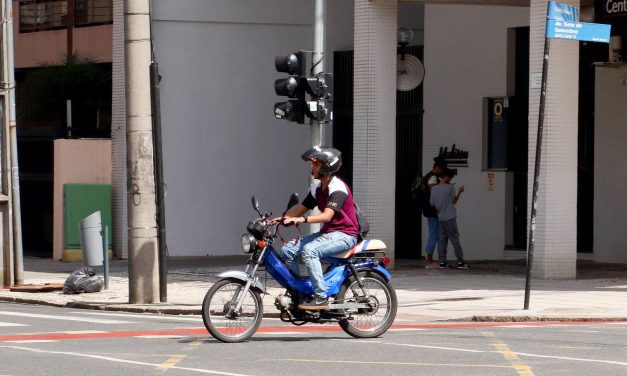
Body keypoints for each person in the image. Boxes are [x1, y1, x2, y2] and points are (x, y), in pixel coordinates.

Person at [277, 146, 359, 310]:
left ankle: (320, 298)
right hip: (328, 234)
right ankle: (299, 293)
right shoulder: (317, 188)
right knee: (288, 250)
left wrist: (302, 219)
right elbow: (299, 209)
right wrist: (280, 218)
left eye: (315, 165)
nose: (312, 168)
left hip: (345, 235)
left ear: (327, 167)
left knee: (310, 250)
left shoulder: (337, 188)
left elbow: (327, 216)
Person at [429, 168, 469, 269]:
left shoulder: (434, 189)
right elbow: (454, 201)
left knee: (442, 241)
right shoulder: (450, 188)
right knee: (455, 239)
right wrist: (460, 192)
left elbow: (432, 203)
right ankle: (460, 261)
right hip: (450, 218)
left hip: (441, 218)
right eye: (450, 178)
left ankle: (442, 262)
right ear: (447, 178)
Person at [417, 160, 447, 268]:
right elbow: (434, 193)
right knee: (434, 234)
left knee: (434, 234)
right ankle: (430, 261)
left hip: (429, 210)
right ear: (437, 168)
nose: (441, 172)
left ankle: (432, 259)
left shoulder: (427, 176)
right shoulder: (432, 177)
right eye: (441, 170)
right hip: (432, 210)